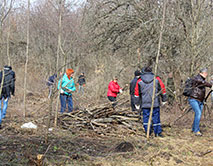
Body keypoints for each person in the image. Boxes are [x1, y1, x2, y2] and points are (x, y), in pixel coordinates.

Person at [136, 67, 167, 137]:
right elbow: (162, 89)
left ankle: (148, 131)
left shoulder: (139, 80)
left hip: (144, 103)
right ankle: (157, 132)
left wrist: (137, 103)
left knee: (146, 117)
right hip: (155, 102)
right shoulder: (157, 79)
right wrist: (164, 99)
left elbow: (136, 93)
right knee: (156, 117)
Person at [188, 68, 212, 136]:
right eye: (206, 73)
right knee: (198, 114)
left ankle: (194, 128)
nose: (207, 75)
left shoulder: (202, 79)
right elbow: (202, 82)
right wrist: (211, 85)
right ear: (203, 73)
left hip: (200, 101)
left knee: (198, 114)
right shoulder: (197, 78)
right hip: (194, 99)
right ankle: (196, 131)